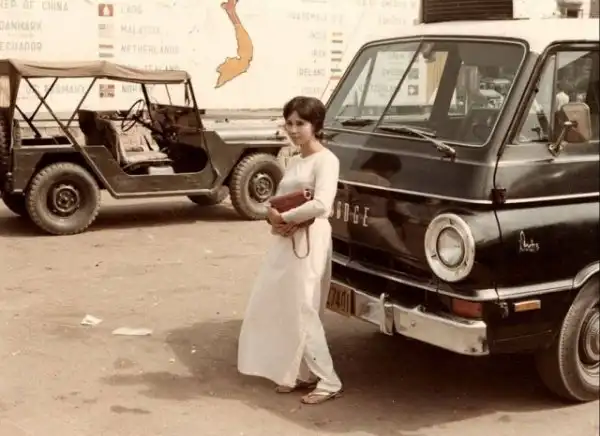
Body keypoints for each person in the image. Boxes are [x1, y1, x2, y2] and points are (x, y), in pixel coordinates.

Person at [237, 96, 342, 405]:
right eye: (290, 123)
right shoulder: (296, 161)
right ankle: (299, 372)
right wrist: (273, 216)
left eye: (301, 123)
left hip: (311, 238)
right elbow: (279, 201)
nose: (294, 130)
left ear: (316, 125)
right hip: (287, 238)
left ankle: (328, 380)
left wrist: (285, 217)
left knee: (304, 307)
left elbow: (322, 204)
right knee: (282, 303)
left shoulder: (326, 160)